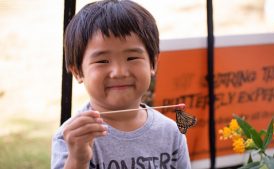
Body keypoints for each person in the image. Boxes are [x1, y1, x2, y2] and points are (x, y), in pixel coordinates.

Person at [51, 0, 192, 169]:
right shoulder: (73, 137)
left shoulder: (171, 133)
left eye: (132, 58)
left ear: (153, 63)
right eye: (102, 61)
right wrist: (77, 160)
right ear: (78, 72)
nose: (119, 72)